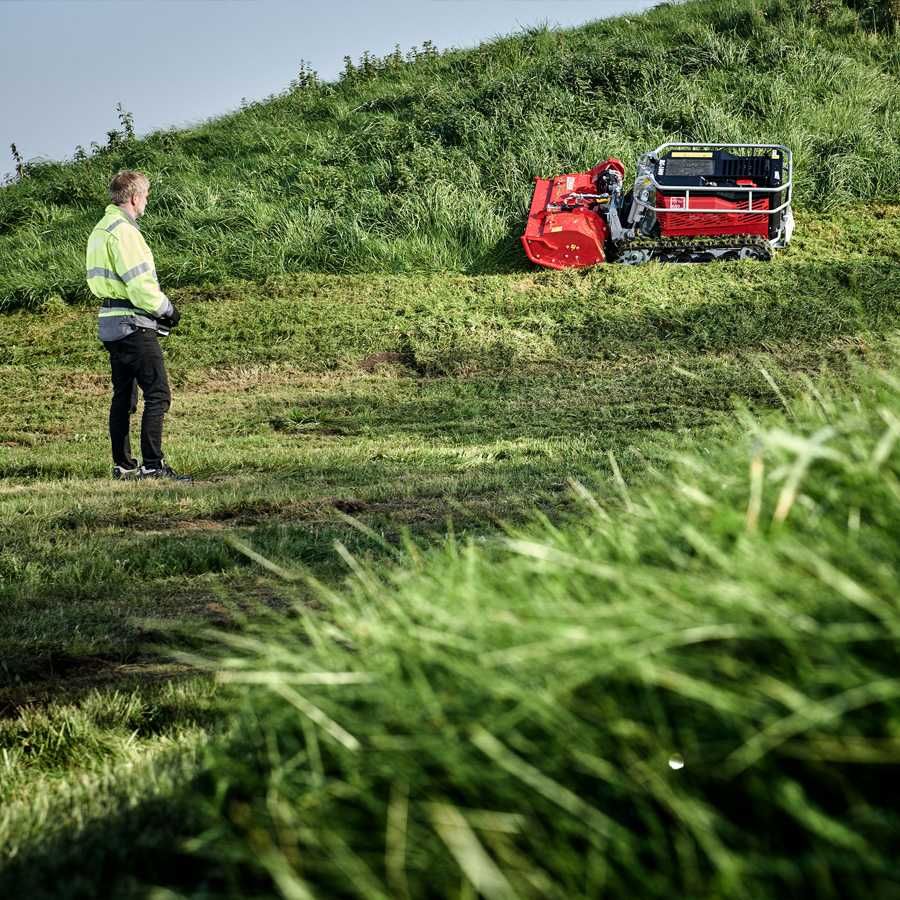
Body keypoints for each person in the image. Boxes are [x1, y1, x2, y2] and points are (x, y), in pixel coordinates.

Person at [86, 170, 191, 481]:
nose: (146, 201)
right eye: (145, 195)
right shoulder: (125, 232)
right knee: (158, 393)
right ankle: (153, 466)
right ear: (133, 198)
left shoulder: (100, 229)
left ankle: (123, 465)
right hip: (134, 323)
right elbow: (140, 286)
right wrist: (168, 310)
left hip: (109, 322)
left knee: (124, 397)